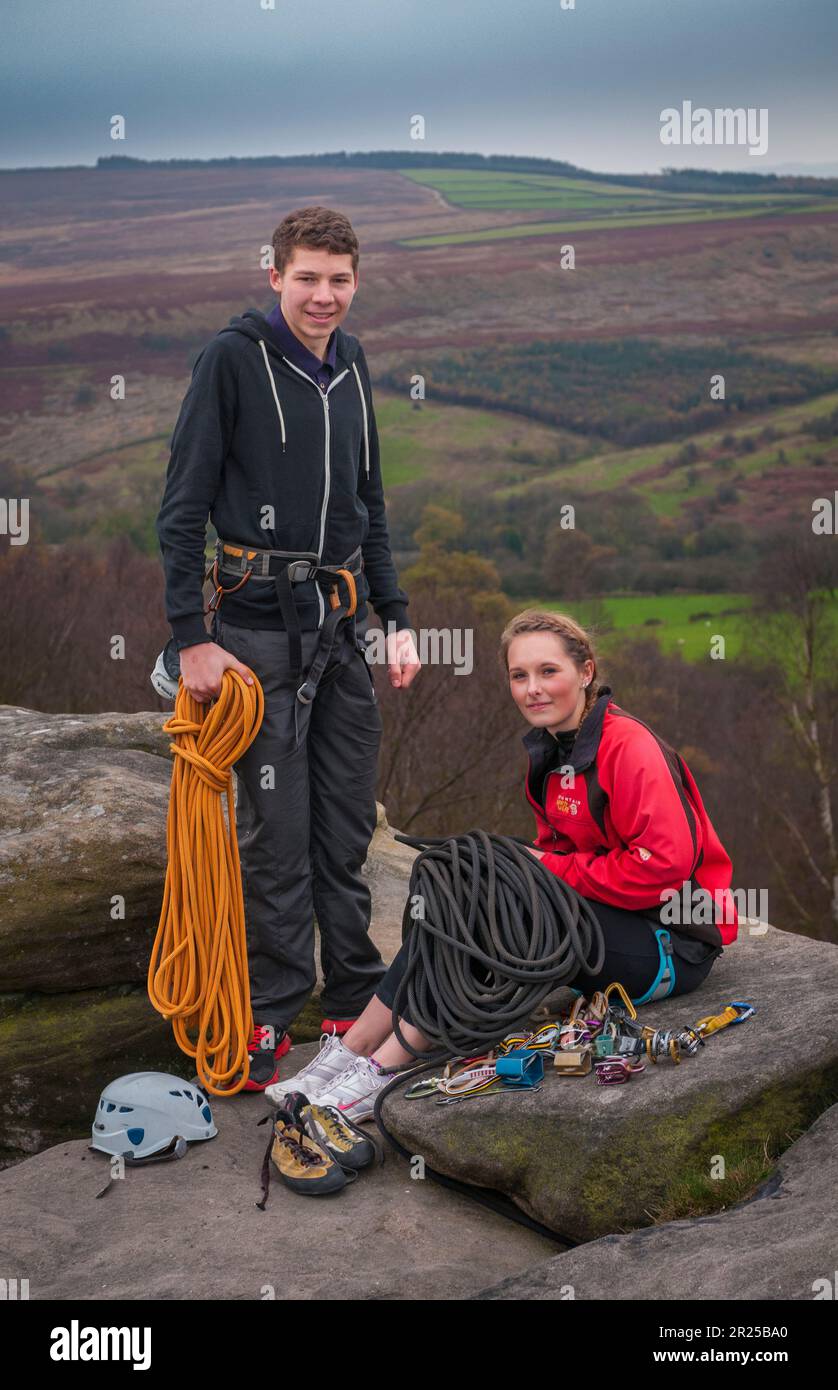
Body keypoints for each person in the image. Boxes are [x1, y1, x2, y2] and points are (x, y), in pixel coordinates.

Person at [273, 609, 738, 1121]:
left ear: (586, 672)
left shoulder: (628, 749)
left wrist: (542, 873)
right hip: (614, 928)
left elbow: (663, 870)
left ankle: (384, 1067)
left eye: (548, 671)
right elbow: (559, 853)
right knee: (465, 892)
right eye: (520, 676)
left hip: (672, 945)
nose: (533, 689)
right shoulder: (551, 750)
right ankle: (353, 1048)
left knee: (503, 911)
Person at [155, 206, 421, 1091]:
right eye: (307, 277)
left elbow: (369, 501)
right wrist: (190, 639)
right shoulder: (231, 360)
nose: (324, 295)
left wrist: (395, 615)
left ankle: (350, 998)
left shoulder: (352, 364)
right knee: (276, 829)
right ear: (274, 275)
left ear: (357, 281)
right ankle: (271, 1013)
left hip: (340, 629)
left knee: (345, 822)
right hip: (255, 632)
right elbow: (181, 505)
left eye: (339, 279)